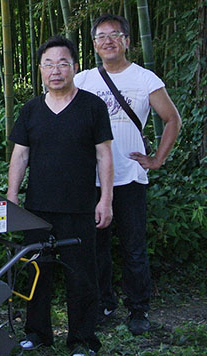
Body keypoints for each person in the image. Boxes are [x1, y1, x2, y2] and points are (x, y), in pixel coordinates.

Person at [7, 36, 114, 356]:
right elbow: (20, 155)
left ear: (75, 67)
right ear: (40, 69)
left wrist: (105, 200)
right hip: (37, 207)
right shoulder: (31, 109)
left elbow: (104, 156)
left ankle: (83, 340)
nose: (56, 70)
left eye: (63, 63)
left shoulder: (92, 106)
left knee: (82, 275)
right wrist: (12, 195)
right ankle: (37, 333)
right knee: (37, 272)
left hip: (80, 206)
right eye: (49, 64)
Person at [74, 14, 181, 335]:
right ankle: (104, 304)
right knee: (97, 246)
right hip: (91, 179)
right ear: (94, 45)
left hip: (130, 176)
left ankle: (138, 309)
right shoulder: (83, 80)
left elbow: (172, 119)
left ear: (127, 41)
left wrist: (157, 158)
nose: (108, 41)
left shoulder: (145, 78)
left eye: (115, 35)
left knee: (133, 245)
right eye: (101, 36)